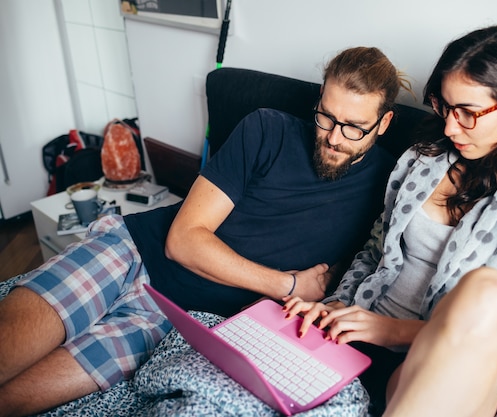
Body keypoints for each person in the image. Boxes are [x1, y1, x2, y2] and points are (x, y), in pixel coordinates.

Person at [0, 46, 412, 416]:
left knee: (16, 399)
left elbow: (361, 266)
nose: (333, 138)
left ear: (384, 122)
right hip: (135, 252)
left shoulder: (390, 184)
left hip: (175, 322)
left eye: (354, 127)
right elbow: (183, 241)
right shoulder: (267, 129)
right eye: (326, 117)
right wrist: (288, 285)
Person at [284, 25, 497, 417]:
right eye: (445, 107)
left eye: (467, 113)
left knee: (490, 291)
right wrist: (336, 308)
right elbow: (376, 252)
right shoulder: (422, 160)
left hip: (464, 375)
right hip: (366, 336)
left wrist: (389, 331)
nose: (450, 127)